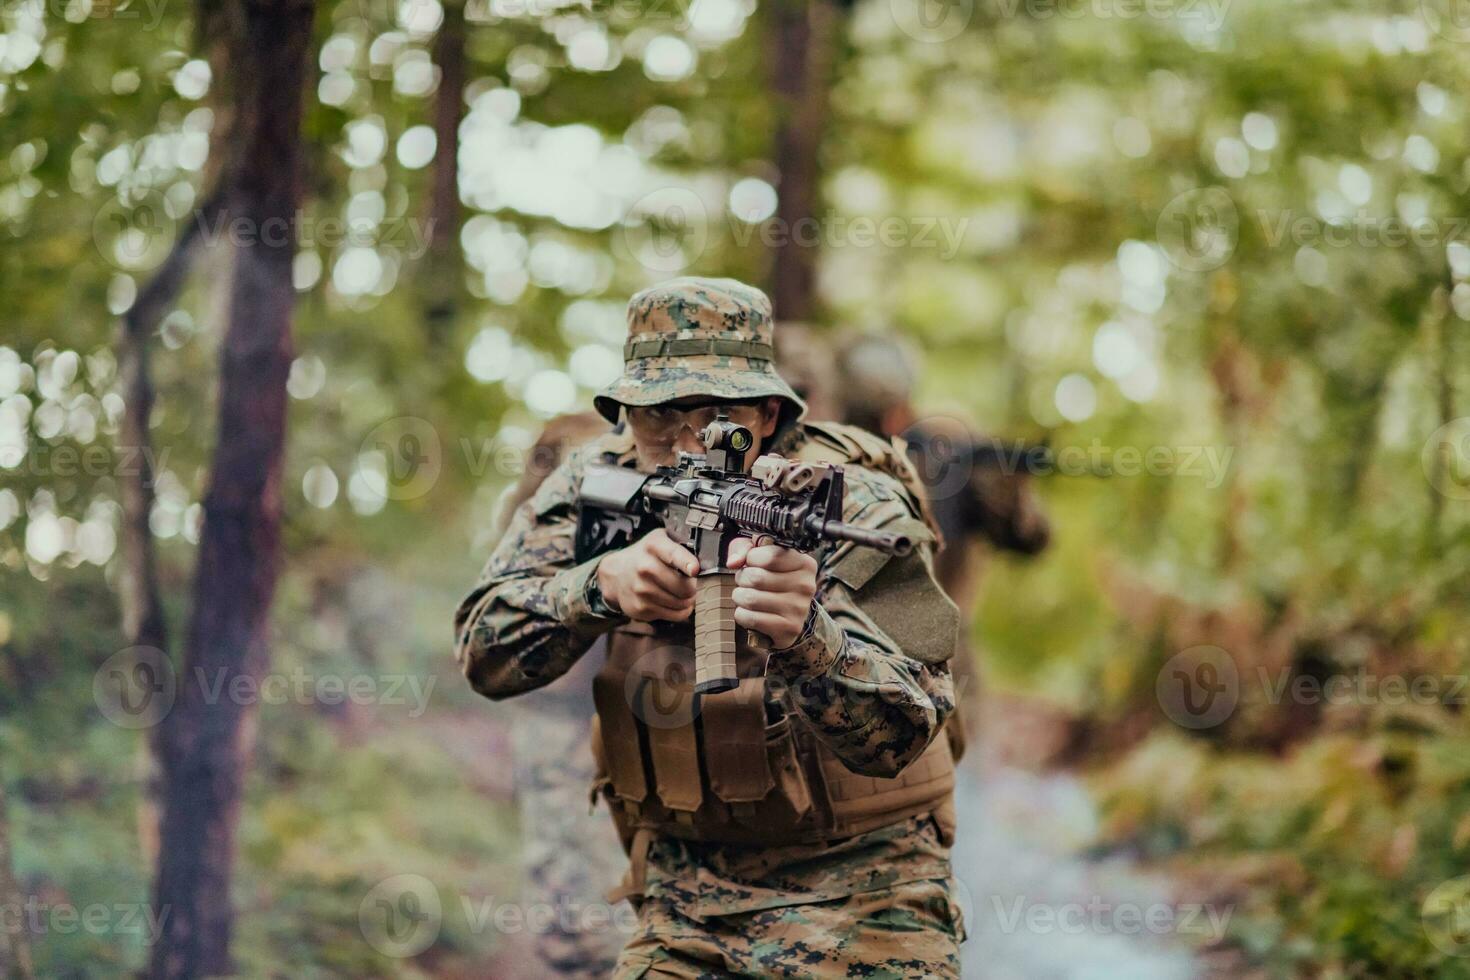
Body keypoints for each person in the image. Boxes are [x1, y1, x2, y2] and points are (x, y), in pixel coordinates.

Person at [455, 277, 965, 977]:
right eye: (658, 415)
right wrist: (598, 586)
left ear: (766, 410)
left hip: (866, 893)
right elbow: (483, 652)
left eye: (717, 414)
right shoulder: (596, 480)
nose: (687, 440)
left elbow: (905, 731)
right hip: (685, 901)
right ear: (624, 412)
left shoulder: (851, 501)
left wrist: (811, 638)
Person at [837, 335, 1051, 757]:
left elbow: (1030, 539)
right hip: (838, 650)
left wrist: (1008, 488)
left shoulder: (945, 443)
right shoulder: (822, 447)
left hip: (939, 651)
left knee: (947, 777)